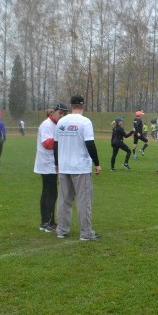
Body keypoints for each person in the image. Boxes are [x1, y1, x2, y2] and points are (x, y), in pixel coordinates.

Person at [54, 95, 102, 241]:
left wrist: (57, 164)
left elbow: (56, 145)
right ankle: (86, 233)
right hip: (80, 167)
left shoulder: (61, 121)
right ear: (83, 106)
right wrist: (97, 163)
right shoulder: (85, 122)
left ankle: (61, 230)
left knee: (64, 200)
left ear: (70, 105)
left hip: (64, 166)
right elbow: (90, 144)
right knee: (84, 201)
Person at [34, 103, 68, 232]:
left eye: (64, 114)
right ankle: (47, 222)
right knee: (50, 193)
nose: (62, 116)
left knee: (50, 192)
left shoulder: (57, 125)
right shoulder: (47, 125)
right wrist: (62, 140)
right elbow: (47, 144)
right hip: (47, 164)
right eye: (60, 113)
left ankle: (48, 221)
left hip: (52, 163)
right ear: (53, 112)